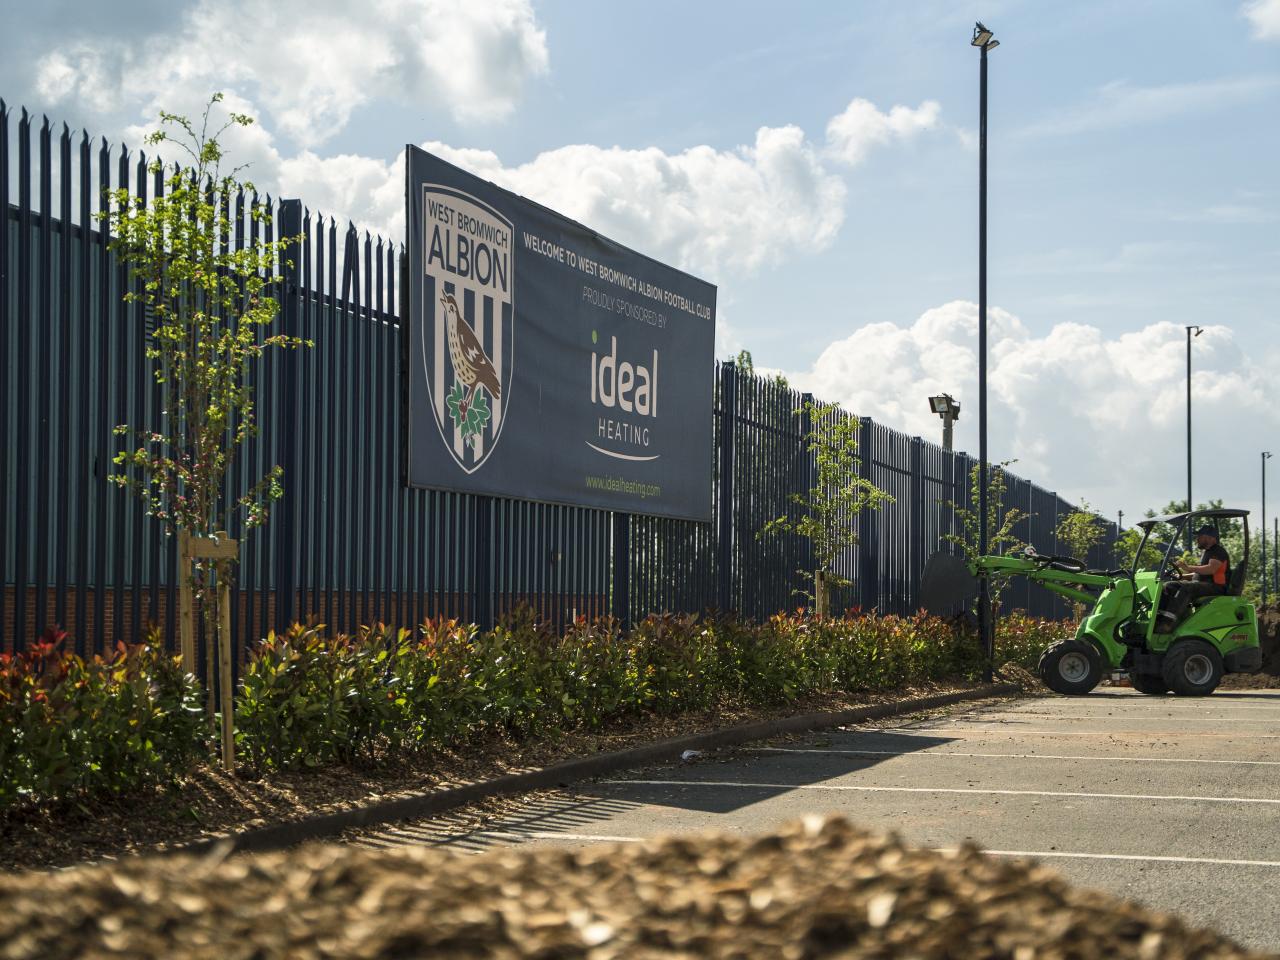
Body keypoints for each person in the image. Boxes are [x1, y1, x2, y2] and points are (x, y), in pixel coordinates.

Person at [1156, 524, 1231, 631]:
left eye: (1199, 536)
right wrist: (1181, 576)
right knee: (1169, 586)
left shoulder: (1218, 551)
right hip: (1204, 585)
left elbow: (1211, 569)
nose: (1197, 539)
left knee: (1187, 588)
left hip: (1216, 587)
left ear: (1209, 537)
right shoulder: (1207, 552)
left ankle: (1168, 623)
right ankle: (1159, 619)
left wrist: (1187, 567)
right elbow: (1199, 573)